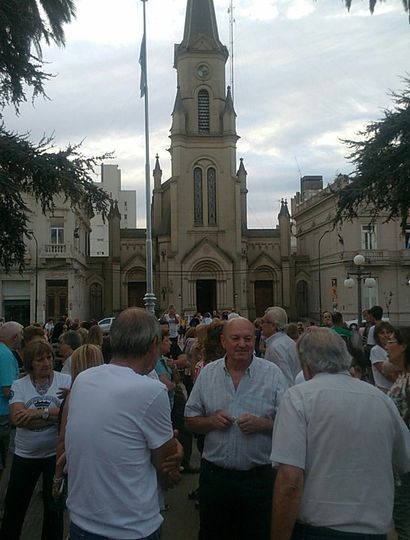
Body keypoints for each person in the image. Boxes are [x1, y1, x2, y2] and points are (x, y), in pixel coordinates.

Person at [270, 327, 410, 540]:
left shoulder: (298, 398)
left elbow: (290, 481)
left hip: (318, 529)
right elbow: (404, 460)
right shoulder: (380, 399)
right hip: (372, 528)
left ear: (306, 367)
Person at [65, 307, 183, 540]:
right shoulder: (151, 390)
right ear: (152, 345)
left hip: (81, 522)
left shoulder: (84, 379)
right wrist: (177, 448)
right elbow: (166, 465)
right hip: (130, 527)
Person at [185, 316, 286, 540]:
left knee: (256, 533)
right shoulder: (208, 374)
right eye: (236, 338)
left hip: (258, 480)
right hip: (215, 479)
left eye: (248, 338)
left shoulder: (273, 374)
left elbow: (290, 425)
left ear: (254, 340)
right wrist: (210, 422)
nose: (242, 344)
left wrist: (263, 425)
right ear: (223, 342)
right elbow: (190, 419)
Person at [0, 340, 71, 540]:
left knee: (53, 507)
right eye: (40, 360)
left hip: (54, 455)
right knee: (15, 505)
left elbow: (70, 414)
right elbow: (18, 419)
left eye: (49, 358)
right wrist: (55, 416)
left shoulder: (65, 381)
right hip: (25, 455)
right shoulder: (19, 385)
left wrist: (37, 413)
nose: (46, 363)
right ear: (31, 363)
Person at [386, 328, 410, 539]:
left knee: (404, 516)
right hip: (400, 456)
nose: (386, 343)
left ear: (403, 347)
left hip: (407, 458)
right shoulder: (403, 376)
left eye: (391, 340)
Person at [0, 322, 22, 482]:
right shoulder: (6, 355)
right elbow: (8, 390)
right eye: (21, 335)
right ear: (15, 337)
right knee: (3, 459)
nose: (22, 338)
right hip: (3, 414)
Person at [261, 307, 301, 387]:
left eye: (263, 322)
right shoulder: (287, 341)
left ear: (273, 325)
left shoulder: (276, 348)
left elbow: (284, 380)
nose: (260, 325)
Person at [370, 321, 398, 392]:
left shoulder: (396, 349)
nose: (386, 335)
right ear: (377, 336)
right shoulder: (376, 350)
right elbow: (386, 373)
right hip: (384, 390)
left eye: (388, 332)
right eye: (382, 333)